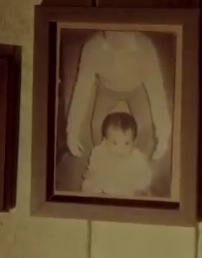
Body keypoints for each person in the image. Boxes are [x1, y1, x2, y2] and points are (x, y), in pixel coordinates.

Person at [66, 31, 172, 165]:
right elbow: (82, 88)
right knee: (97, 127)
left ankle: (137, 163)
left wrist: (163, 134)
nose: (115, 37)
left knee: (145, 128)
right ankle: (104, 162)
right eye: (110, 32)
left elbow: (156, 89)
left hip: (136, 89)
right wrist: (72, 130)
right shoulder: (92, 48)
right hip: (106, 89)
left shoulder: (145, 47)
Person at [81, 111, 152, 196]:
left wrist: (141, 185)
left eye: (127, 143)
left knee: (142, 189)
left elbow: (144, 173)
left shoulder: (137, 157)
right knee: (88, 185)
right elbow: (94, 167)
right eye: (115, 143)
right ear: (105, 141)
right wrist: (92, 173)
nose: (120, 149)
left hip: (128, 187)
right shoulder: (100, 152)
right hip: (104, 186)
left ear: (134, 142)